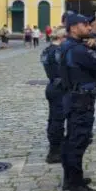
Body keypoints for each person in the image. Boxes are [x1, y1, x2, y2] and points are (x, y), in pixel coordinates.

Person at [59, 14, 96, 191]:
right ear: (73, 28)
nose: (89, 27)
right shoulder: (79, 50)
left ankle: (70, 179)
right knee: (78, 141)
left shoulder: (67, 46)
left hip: (72, 98)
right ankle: (76, 186)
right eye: (85, 24)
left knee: (71, 139)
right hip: (81, 101)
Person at [40, 26, 67, 164]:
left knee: (53, 118)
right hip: (60, 87)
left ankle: (55, 146)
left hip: (51, 86)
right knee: (57, 120)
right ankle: (55, 151)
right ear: (62, 38)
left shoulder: (46, 50)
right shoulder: (59, 51)